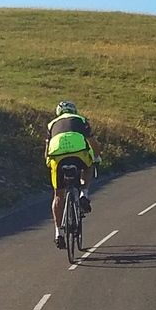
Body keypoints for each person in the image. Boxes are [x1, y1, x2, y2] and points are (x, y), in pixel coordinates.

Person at [45, 100, 99, 249]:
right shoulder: (80, 120)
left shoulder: (51, 124)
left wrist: (49, 164)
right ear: (74, 111)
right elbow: (93, 142)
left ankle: (58, 233)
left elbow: (47, 149)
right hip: (78, 153)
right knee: (89, 167)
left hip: (57, 157)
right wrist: (97, 157)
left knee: (58, 195)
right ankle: (84, 195)